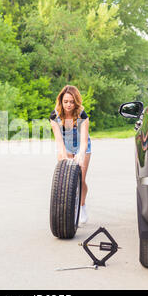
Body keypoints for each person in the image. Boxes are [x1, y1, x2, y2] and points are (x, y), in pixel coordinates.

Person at [49, 85, 92, 224]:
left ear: (76, 102)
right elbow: (59, 142)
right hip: (65, 145)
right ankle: (68, 210)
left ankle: (82, 206)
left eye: (72, 102)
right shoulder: (54, 116)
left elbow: (84, 141)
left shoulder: (81, 114)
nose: (68, 105)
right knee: (65, 179)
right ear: (61, 101)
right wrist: (64, 156)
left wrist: (80, 155)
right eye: (66, 101)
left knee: (81, 179)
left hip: (81, 145)